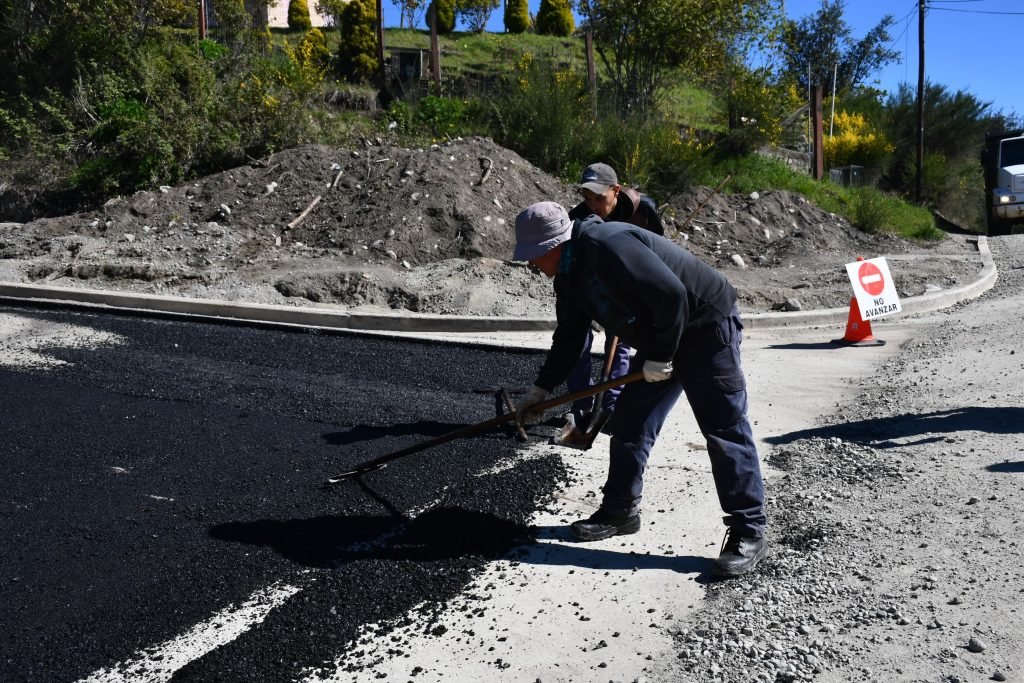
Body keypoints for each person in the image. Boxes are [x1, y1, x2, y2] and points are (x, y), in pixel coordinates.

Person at [511, 201, 768, 578]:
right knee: (631, 422)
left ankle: (749, 530)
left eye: (535, 256)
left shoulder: (607, 244)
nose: (533, 265)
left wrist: (661, 356)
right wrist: (540, 389)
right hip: (661, 335)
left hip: (705, 328)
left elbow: (673, 295)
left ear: (555, 244)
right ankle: (620, 511)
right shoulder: (567, 275)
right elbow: (569, 337)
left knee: (723, 428)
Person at [556, 163, 665, 447]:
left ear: (615, 190)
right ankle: (580, 404)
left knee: (621, 344)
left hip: (628, 287)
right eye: (586, 197)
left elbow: (657, 248)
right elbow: (568, 271)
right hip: (589, 287)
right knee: (578, 340)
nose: (591, 204)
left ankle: (610, 405)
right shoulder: (577, 218)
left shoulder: (643, 208)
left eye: (598, 198)